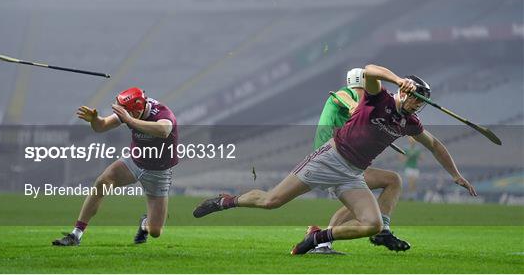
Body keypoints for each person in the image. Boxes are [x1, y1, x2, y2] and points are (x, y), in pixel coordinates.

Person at [192, 64, 476, 255]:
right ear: (404, 91)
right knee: (271, 202)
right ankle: (225, 201)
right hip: (329, 158)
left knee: (373, 225)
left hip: (353, 174)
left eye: (422, 101)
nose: (418, 104)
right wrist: (396, 78)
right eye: (416, 98)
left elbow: (436, 145)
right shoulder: (379, 99)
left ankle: (317, 238)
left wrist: (455, 174)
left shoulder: (410, 123)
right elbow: (368, 70)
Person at [52, 87, 178, 246]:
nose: (123, 115)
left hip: (158, 172)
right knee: (102, 182)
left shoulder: (162, 113)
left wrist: (130, 120)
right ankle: (76, 234)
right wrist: (95, 120)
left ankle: (144, 223)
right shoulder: (130, 110)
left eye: (127, 113)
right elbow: (101, 127)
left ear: (137, 108)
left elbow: (164, 130)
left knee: (155, 231)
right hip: (134, 161)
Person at [309, 68, 409, 255]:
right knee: (392, 180)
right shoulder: (347, 94)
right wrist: (355, 106)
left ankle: (322, 243)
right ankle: (382, 231)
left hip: (333, 160)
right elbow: (341, 97)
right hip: (331, 161)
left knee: (359, 203)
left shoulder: (358, 109)